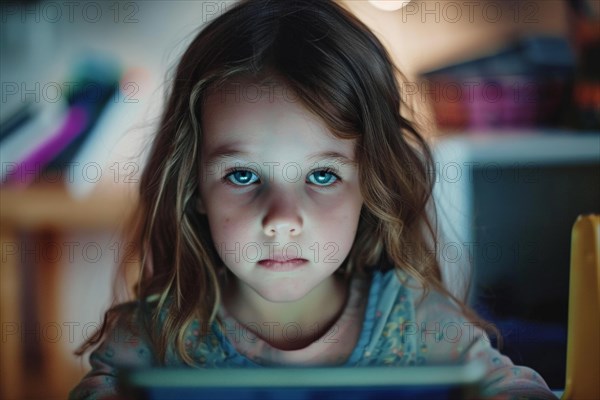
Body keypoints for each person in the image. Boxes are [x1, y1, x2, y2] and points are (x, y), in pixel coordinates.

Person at [69, 1, 558, 399]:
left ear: (372, 183)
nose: (283, 219)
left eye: (322, 175)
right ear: (193, 187)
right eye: (242, 175)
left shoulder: (417, 325)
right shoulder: (154, 337)